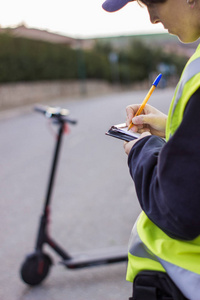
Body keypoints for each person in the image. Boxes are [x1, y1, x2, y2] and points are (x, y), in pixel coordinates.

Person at [102, 0, 200, 299]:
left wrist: (142, 149)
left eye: (154, 2)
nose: (153, 18)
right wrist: (175, 127)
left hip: (181, 281)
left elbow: (177, 211)